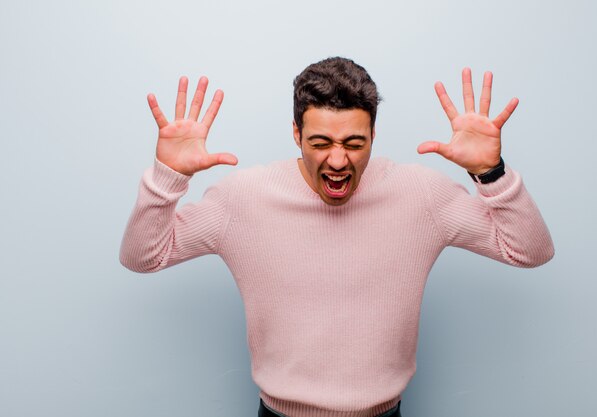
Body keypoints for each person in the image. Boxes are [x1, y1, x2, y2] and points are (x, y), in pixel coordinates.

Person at [120, 57, 554, 417]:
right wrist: (169, 176)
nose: (338, 159)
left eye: (354, 142)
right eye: (321, 141)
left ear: (373, 136)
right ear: (296, 134)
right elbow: (144, 257)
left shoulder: (421, 195)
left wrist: (490, 173)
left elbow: (529, 251)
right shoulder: (244, 199)